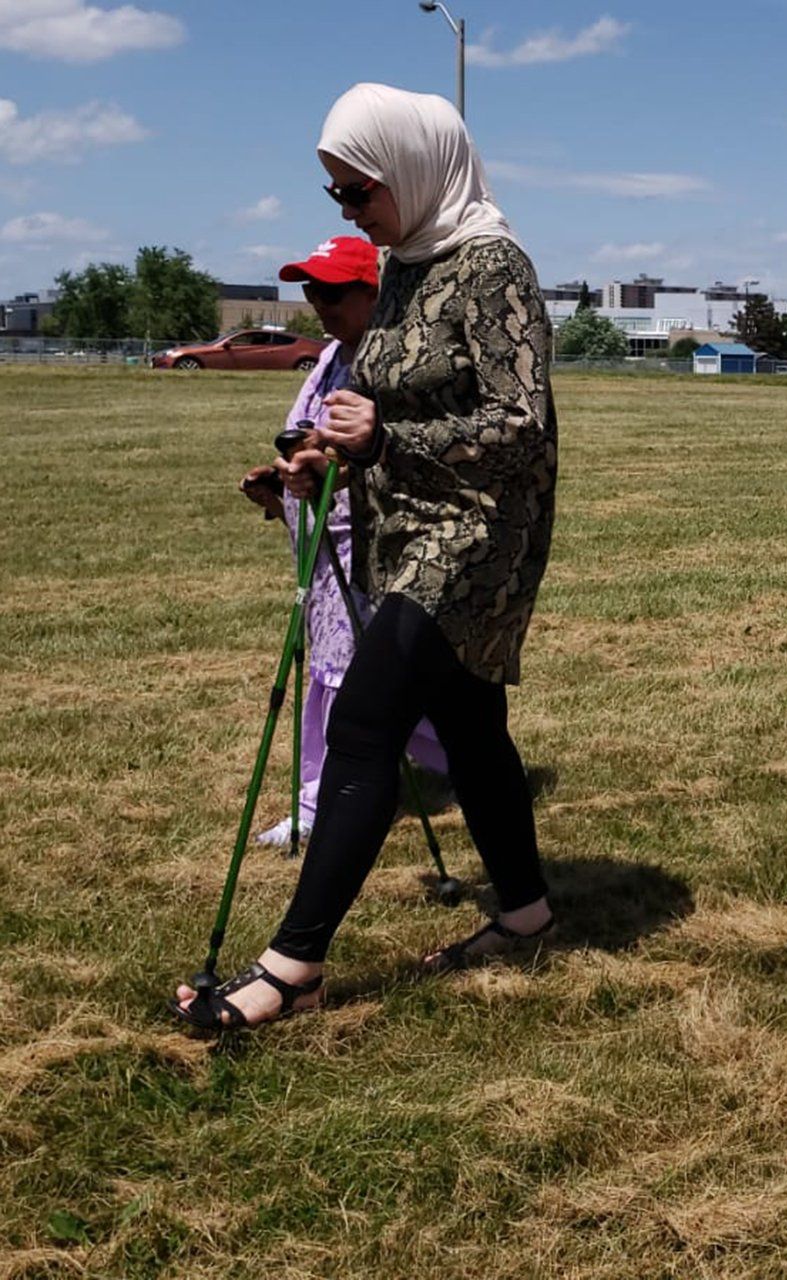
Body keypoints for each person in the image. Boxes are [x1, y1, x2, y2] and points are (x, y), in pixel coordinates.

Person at [172, 83, 558, 1030]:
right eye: (337, 196)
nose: (350, 214)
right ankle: (525, 913)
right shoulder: (406, 266)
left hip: (478, 535)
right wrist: (310, 466)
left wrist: (386, 442)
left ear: (417, 168)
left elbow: (522, 426)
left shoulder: (493, 266)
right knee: (471, 730)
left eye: (359, 192)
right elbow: (370, 401)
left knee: (365, 724)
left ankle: (291, 967)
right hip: (401, 524)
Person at [239, 235, 446, 849]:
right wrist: (281, 487)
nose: (318, 302)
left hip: (371, 547)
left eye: (332, 290)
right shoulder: (331, 358)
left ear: (372, 292)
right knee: (366, 676)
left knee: (344, 678)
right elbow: (310, 446)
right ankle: (446, 765)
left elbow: (388, 456)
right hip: (324, 544)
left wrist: (324, 465)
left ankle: (322, 804)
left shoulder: (389, 364)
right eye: (311, 289)